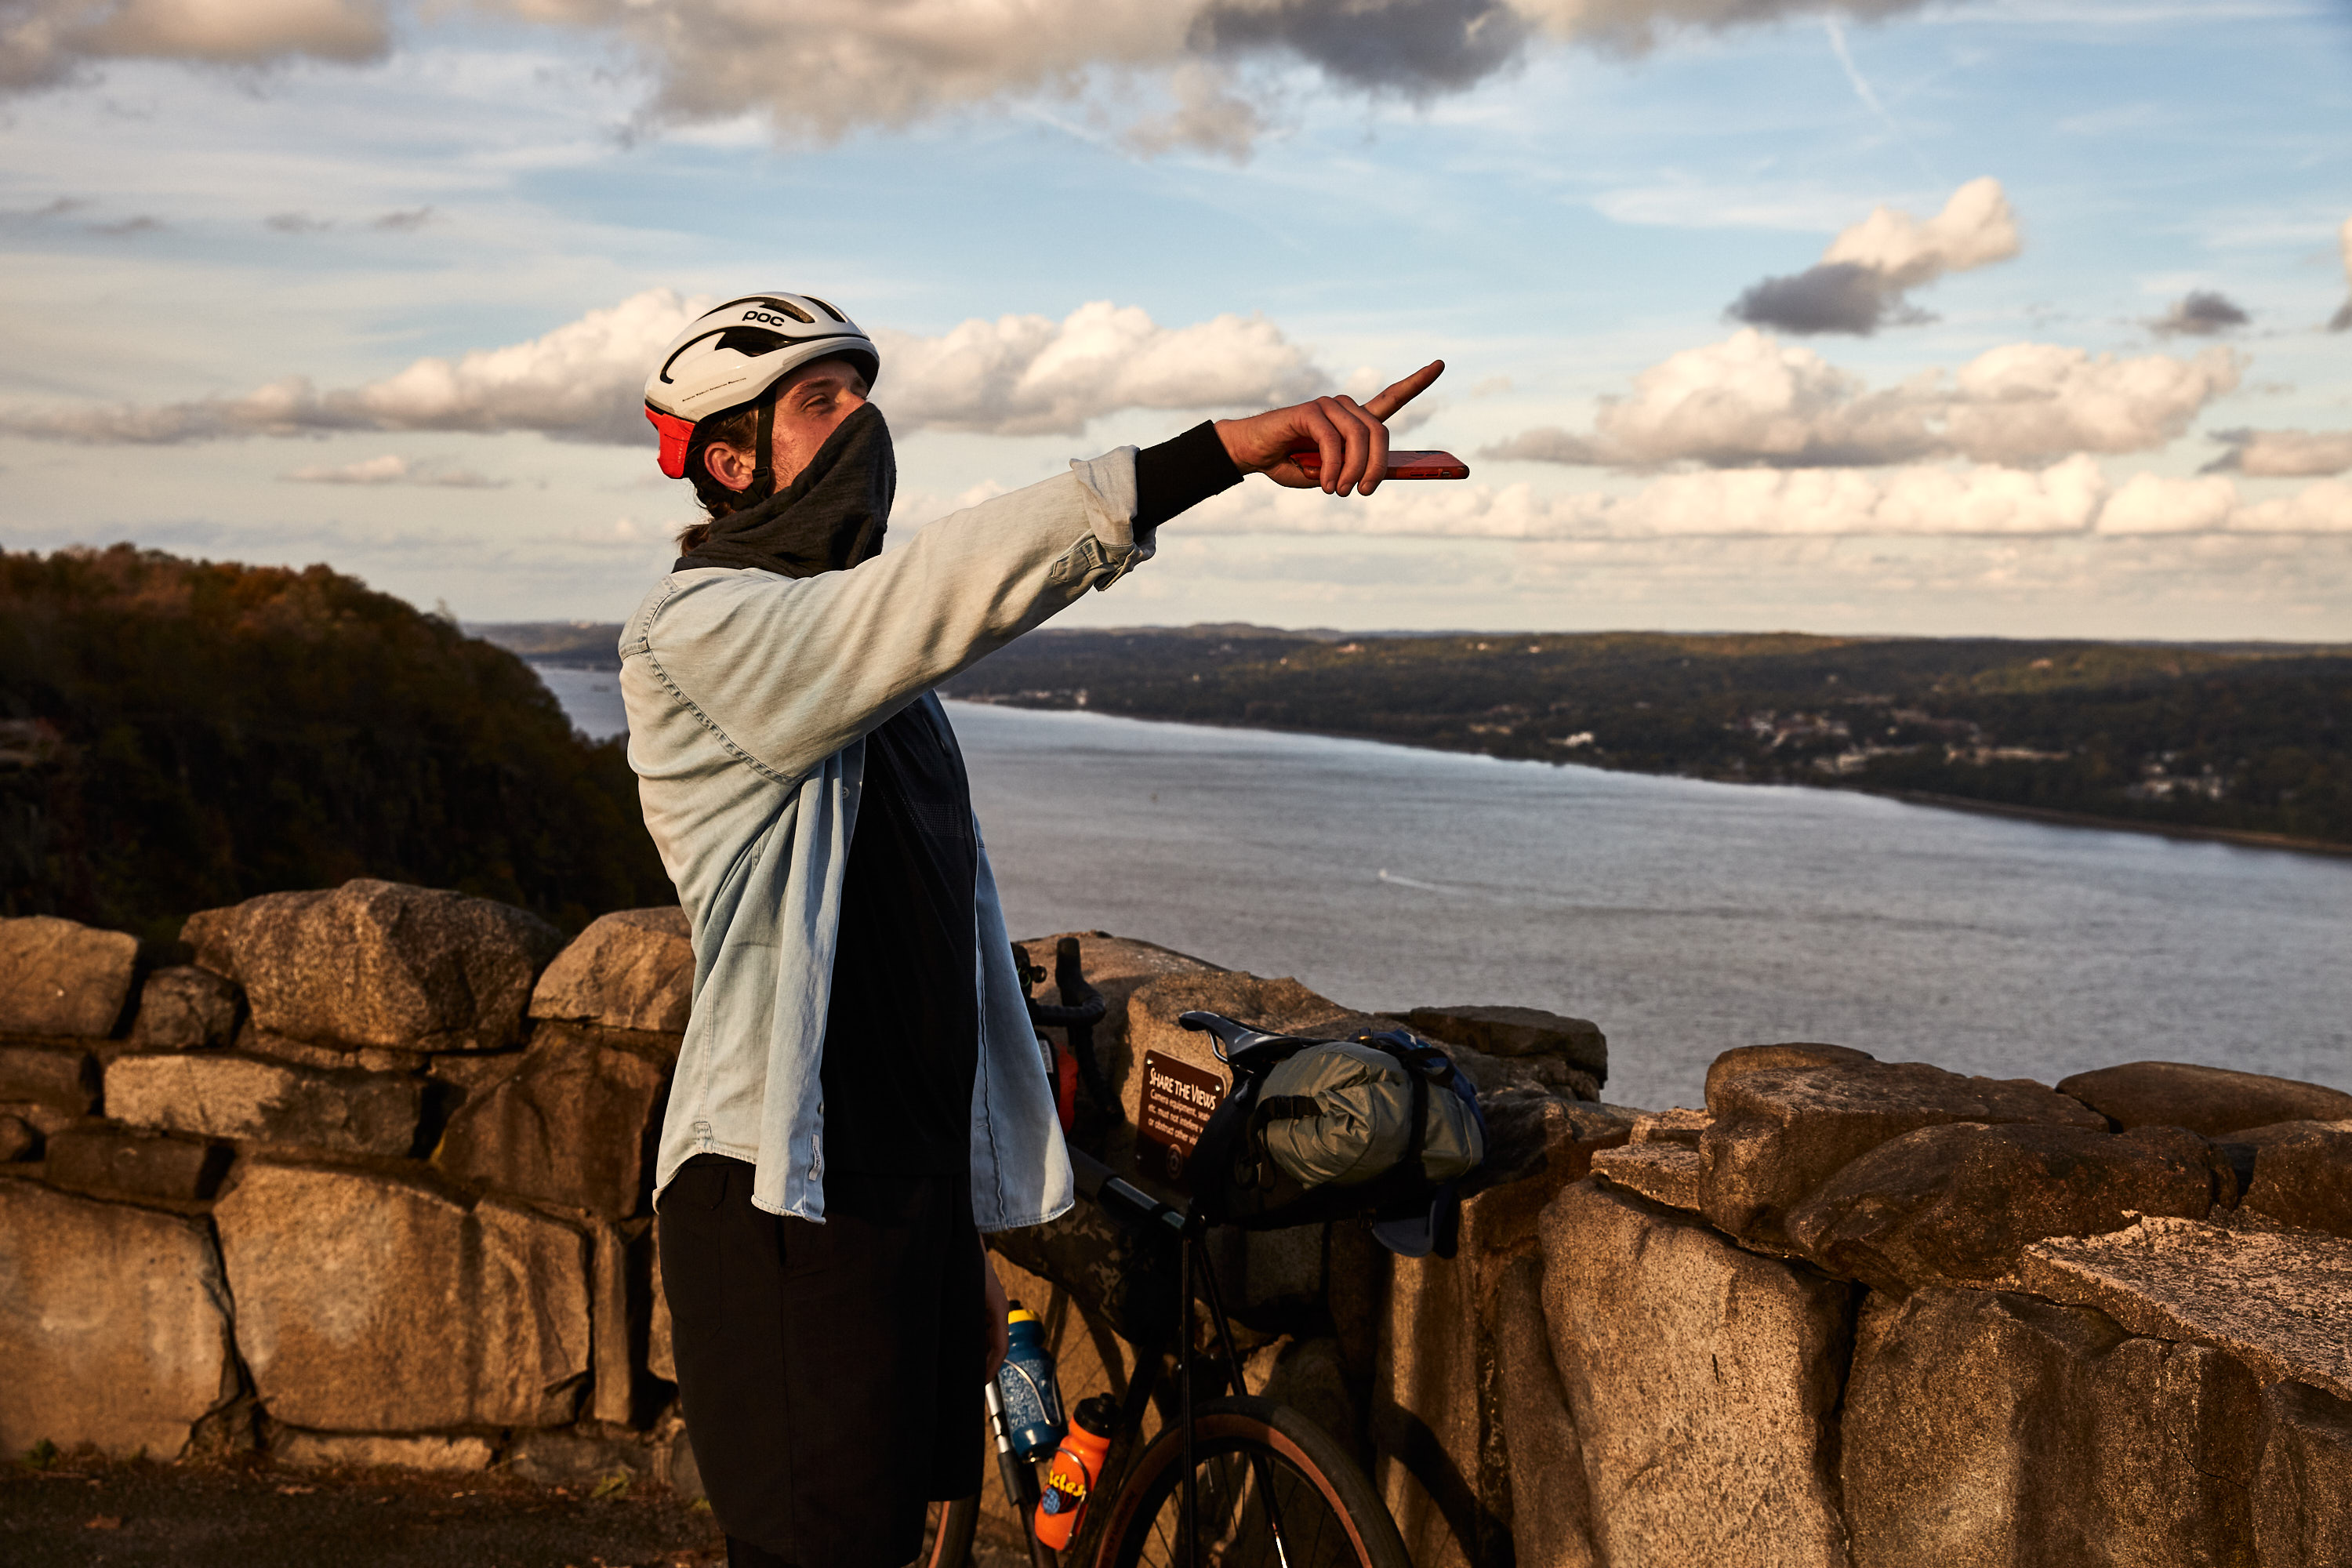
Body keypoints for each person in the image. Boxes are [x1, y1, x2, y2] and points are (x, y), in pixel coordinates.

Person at [622, 289, 1441, 1568]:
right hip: (783, 1197)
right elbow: (947, 588)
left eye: (862, 391)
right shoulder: (700, 633)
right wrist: (1217, 451)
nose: (864, 422)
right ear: (729, 461)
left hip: (904, 1183)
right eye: (821, 402)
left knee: (896, 1537)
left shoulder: (872, 684)